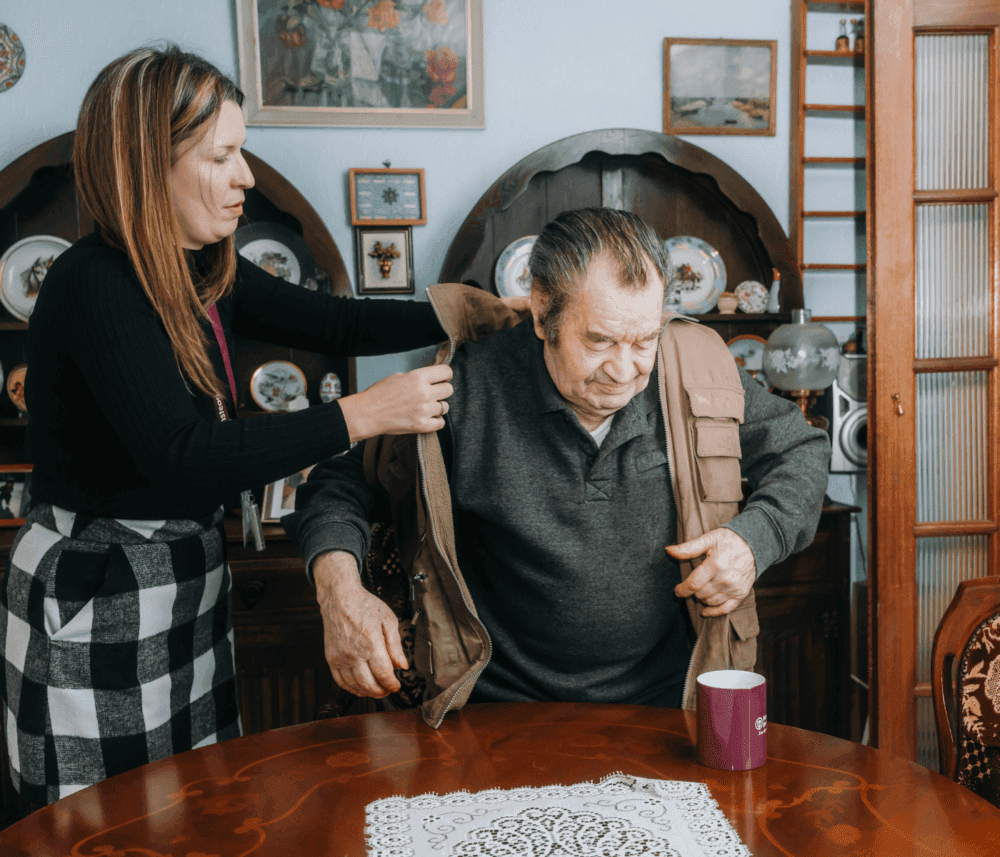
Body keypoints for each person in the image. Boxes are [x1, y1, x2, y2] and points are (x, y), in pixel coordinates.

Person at [0, 45, 523, 806]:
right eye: (223, 155)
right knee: (98, 820)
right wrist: (365, 413)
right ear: (149, 165)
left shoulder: (204, 268)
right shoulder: (93, 283)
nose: (246, 176)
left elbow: (335, 319)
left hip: (182, 572)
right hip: (98, 590)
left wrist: (476, 313)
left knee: (190, 804)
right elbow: (186, 456)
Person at [284, 207, 832, 728]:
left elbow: (800, 449)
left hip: (668, 707)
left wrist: (754, 540)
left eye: (644, 339)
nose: (625, 371)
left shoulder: (694, 371)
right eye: (599, 340)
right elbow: (342, 482)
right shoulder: (467, 389)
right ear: (543, 312)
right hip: (498, 715)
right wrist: (339, 592)